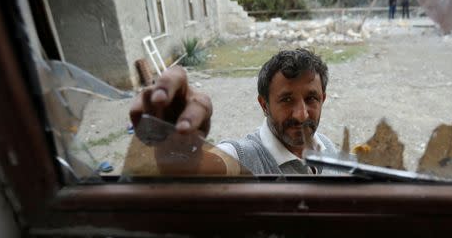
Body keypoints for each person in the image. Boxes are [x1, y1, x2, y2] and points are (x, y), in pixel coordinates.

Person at [129, 49, 340, 175]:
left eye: (311, 98)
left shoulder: (326, 146)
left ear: (323, 99)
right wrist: (177, 150)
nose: (301, 115)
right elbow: (204, 166)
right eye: (286, 100)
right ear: (264, 105)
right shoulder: (244, 156)